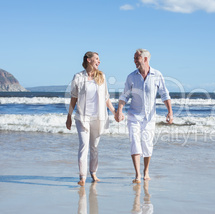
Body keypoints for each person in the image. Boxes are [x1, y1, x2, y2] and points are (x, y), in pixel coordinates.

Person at [115, 48, 173, 183]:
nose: (134, 61)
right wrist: (120, 110)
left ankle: (146, 171)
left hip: (149, 117)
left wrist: (170, 111)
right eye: (134, 58)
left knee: (147, 145)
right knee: (135, 143)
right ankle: (137, 174)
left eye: (137, 58)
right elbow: (125, 95)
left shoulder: (157, 75)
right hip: (134, 115)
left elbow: (165, 94)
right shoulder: (131, 77)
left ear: (145, 59)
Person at [66, 51, 116, 186]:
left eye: (99, 59)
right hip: (82, 117)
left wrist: (114, 111)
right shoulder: (77, 77)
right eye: (97, 59)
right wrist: (69, 116)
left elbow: (106, 98)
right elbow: (73, 98)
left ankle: (93, 172)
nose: (99, 62)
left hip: (98, 117)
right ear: (88, 60)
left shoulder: (102, 77)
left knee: (94, 146)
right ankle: (82, 176)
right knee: (83, 146)